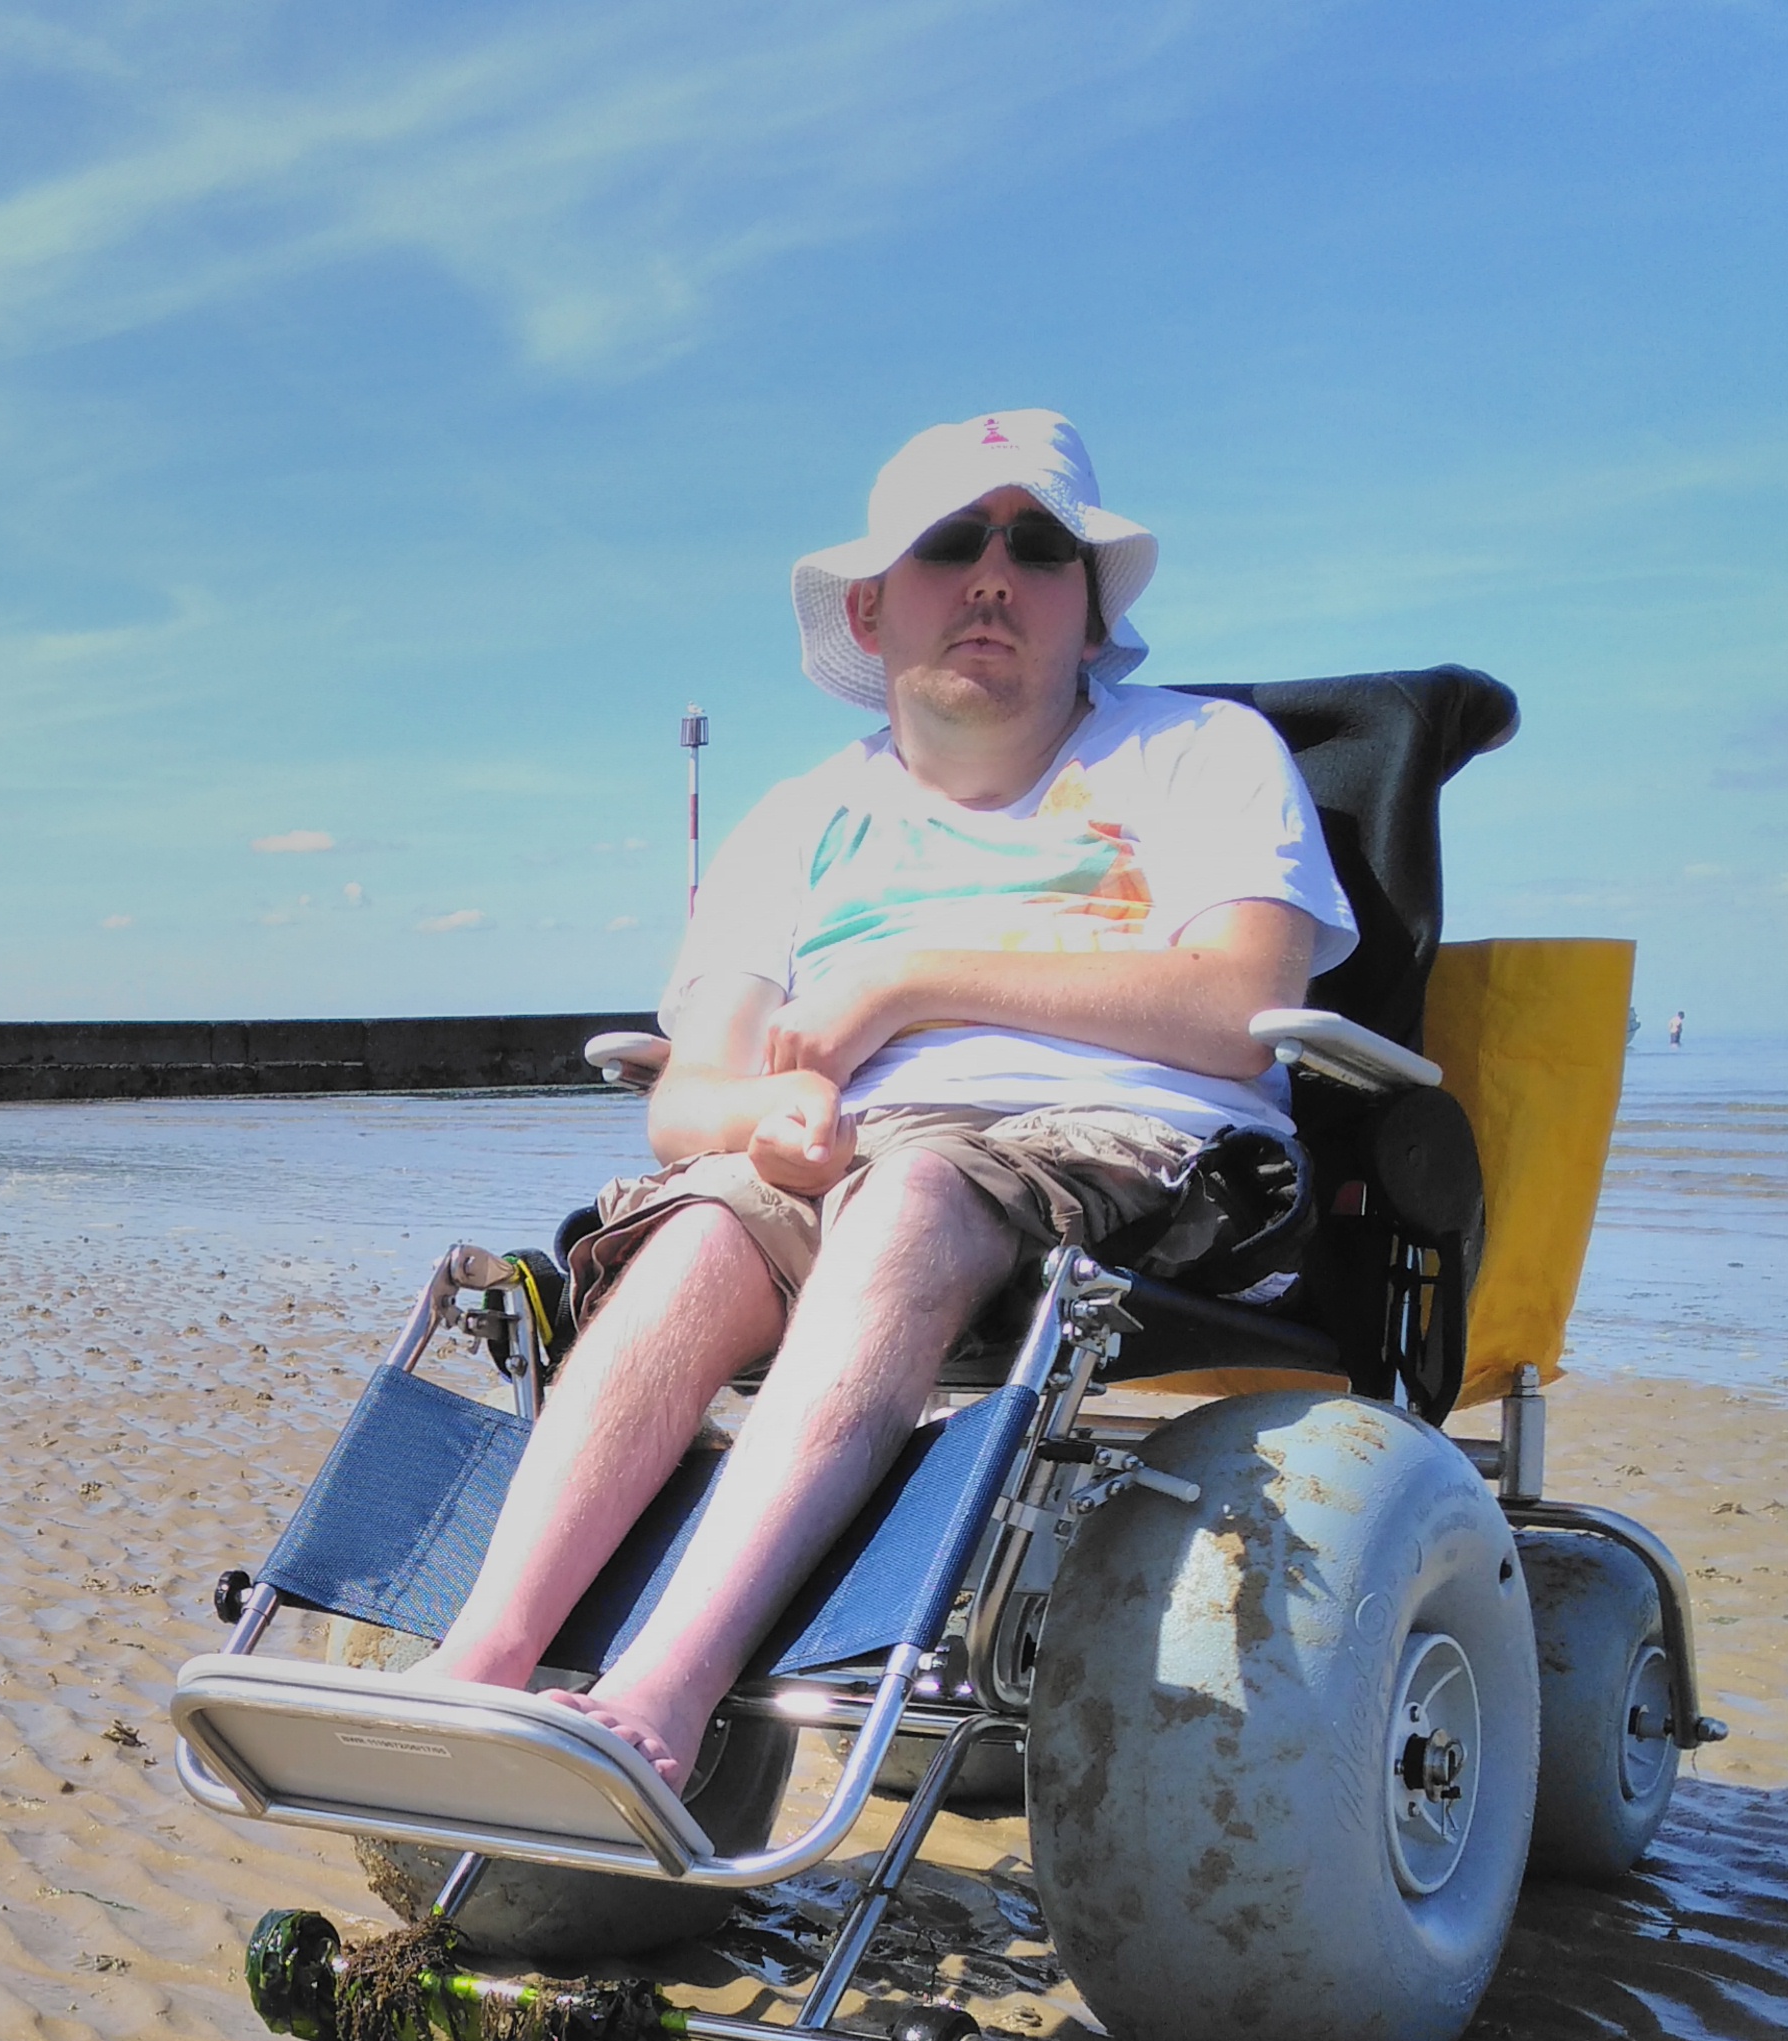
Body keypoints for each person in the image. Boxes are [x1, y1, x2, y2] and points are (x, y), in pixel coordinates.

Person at [413, 409, 1351, 1791]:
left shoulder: (1200, 756)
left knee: (913, 1194)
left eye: (1039, 546)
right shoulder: (797, 819)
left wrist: (907, 982)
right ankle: (486, 1654)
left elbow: (1238, 1002)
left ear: (1091, 612)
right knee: (702, 1235)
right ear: (872, 603)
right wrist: (760, 1124)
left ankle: (670, 1684)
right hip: (838, 1151)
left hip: (1126, 1148)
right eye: (949, 543)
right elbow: (690, 1102)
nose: (993, 575)